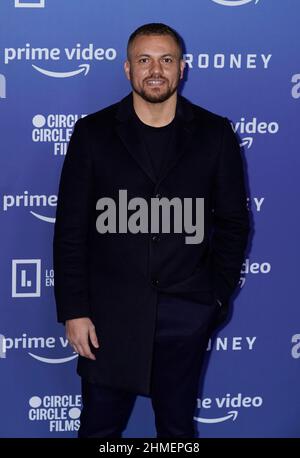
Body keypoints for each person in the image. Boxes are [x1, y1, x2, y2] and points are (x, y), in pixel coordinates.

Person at [53, 23, 251, 438]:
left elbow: (233, 224)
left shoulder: (215, 134)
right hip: (108, 319)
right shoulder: (92, 134)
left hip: (186, 313)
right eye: (144, 60)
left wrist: (213, 297)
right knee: (98, 431)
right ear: (128, 69)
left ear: (183, 69)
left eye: (166, 59)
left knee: (177, 433)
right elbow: (71, 230)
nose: (155, 69)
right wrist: (74, 310)